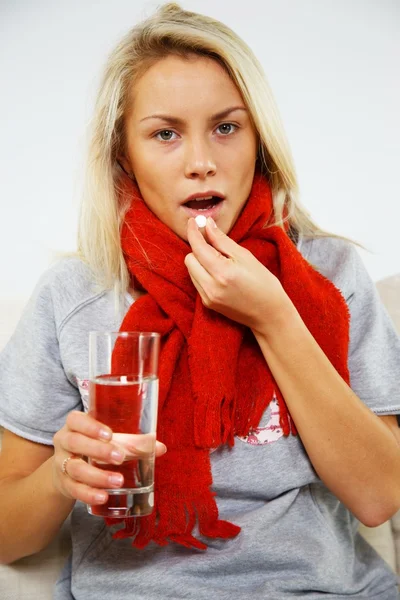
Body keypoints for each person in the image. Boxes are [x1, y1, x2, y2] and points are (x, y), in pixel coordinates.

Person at [0, 3, 399, 599]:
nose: (201, 162)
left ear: (259, 139)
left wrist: (274, 318)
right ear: (122, 155)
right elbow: (8, 537)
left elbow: (379, 496)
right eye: (165, 134)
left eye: (226, 127)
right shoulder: (74, 296)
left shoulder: (330, 276)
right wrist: (60, 479)